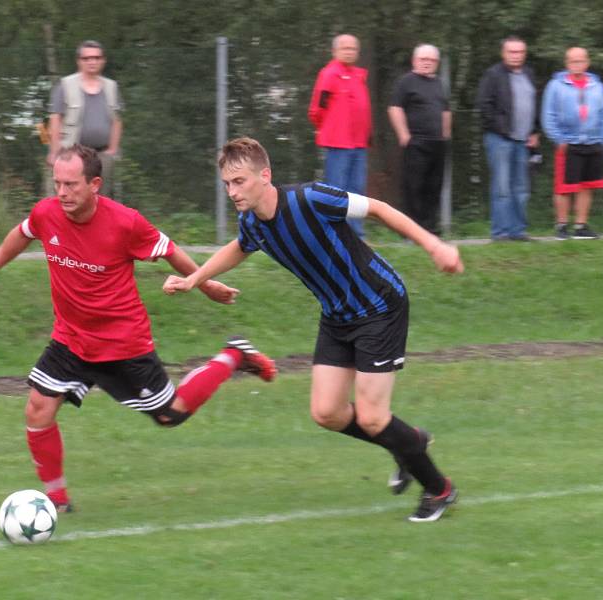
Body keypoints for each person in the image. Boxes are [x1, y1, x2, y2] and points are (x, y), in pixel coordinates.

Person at [0, 144, 277, 511]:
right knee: (38, 409)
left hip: (122, 344)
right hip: (71, 339)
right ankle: (57, 501)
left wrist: (204, 283)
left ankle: (233, 355)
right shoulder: (47, 213)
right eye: (57, 183)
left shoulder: (125, 222)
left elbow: (168, 248)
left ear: (94, 184)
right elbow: (22, 233)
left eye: (71, 184)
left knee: (171, 414)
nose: (62, 193)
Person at [163, 137, 463, 522]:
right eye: (226, 183)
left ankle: (439, 489)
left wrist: (434, 245)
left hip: (379, 305)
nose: (231, 191)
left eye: (239, 181)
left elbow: (380, 209)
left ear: (265, 175)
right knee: (327, 412)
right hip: (337, 316)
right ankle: (409, 441)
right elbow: (238, 246)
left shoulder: (312, 198)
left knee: (373, 417)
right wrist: (195, 279)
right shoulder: (253, 222)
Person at [541, 46, 603, 240]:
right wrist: (558, 139)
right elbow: (548, 115)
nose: (577, 65)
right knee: (564, 187)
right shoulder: (556, 85)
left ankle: (581, 226)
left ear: (587, 62)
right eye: (573, 61)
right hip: (567, 143)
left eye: (580, 61)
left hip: (593, 142)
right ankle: (562, 226)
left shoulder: (598, 86)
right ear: (567, 63)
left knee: (586, 185)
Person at [308, 34, 372, 238]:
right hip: (338, 144)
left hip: (359, 143)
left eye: (353, 48)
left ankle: (356, 235)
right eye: (344, 48)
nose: (349, 51)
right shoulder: (329, 74)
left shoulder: (358, 75)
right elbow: (317, 110)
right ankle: (334, 234)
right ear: (334, 51)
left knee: (357, 191)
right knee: (337, 191)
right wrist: (331, 130)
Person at [477, 36, 540, 241]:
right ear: (503, 53)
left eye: (520, 52)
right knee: (502, 187)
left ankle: (517, 230)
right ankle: (501, 232)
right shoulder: (493, 75)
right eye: (511, 52)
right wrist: (501, 129)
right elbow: (484, 106)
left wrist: (534, 131)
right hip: (500, 140)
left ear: (524, 54)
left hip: (524, 141)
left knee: (521, 188)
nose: (516, 56)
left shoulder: (529, 74)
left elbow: (534, 105)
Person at [388, 44, 451, 236]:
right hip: (416, 142)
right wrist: (403, 135)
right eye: (423, 59)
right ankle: (411, 231)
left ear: (436, 63)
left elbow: (446, 110)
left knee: (434, 186)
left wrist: (446, 135)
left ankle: (429, 229)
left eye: (431, 60)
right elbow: (394, 108)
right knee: (414, 186)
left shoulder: (439, 84)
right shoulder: (406, 82)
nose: (427, 63)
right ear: (415, 61)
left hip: (438, 143)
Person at [46, 41, 123, 198]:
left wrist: (113, 150)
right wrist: (54, 152)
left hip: (101, 156)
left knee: (100, 200)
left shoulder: (111, 87)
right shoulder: (65, 85)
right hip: (72, 154)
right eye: (86, 58)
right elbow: (55, 119)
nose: (92, 62)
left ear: (103, 60)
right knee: (68, 198)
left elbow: (117, 120)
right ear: (79, 61)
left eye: (96, 57)